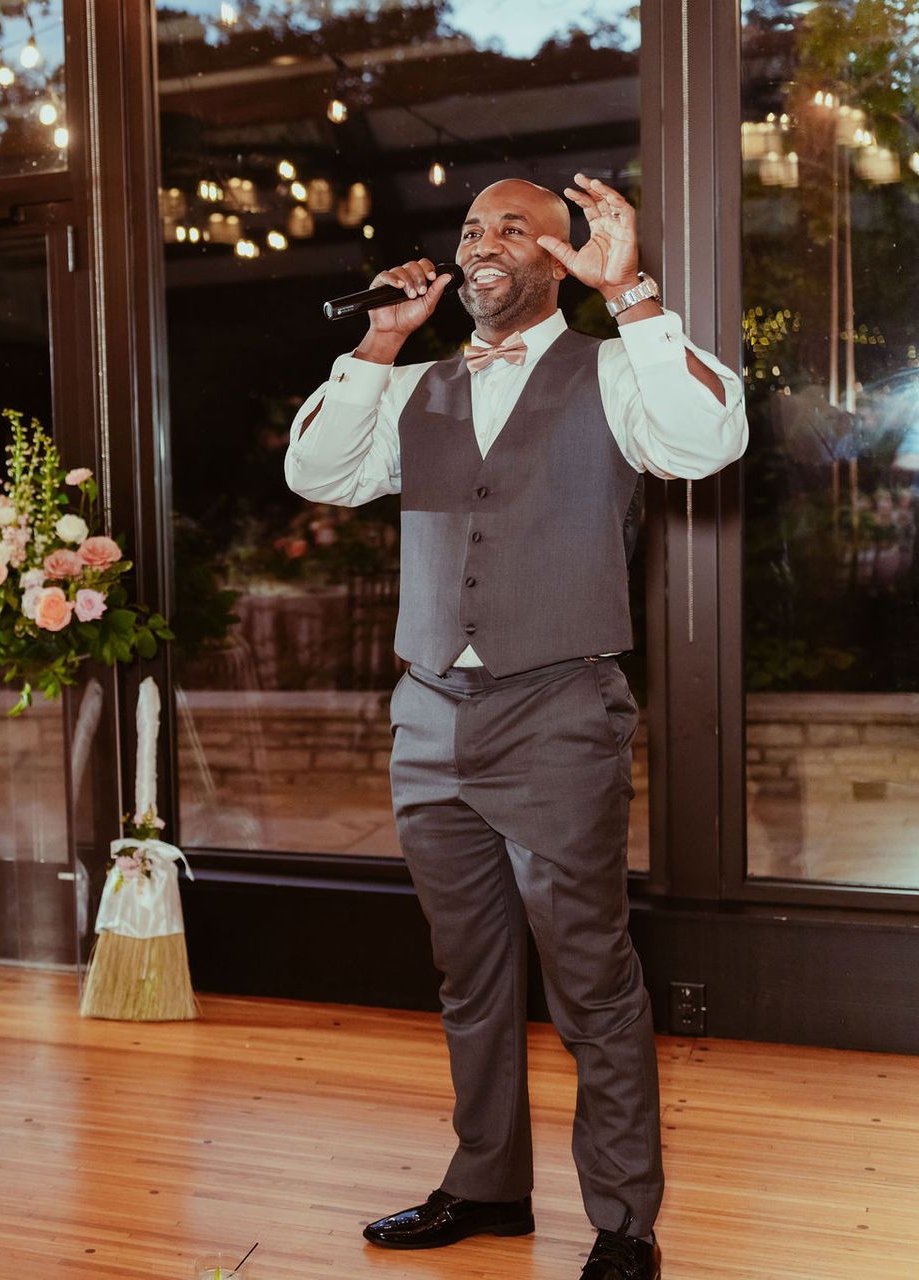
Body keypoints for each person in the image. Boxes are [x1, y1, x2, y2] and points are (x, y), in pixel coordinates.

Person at [285, 175, 746, 1280]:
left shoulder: (614, 368)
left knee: (590, 974)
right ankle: (488, 1182)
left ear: (558, 254)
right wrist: (382, 342)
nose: (481, 244)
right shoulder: (417, 383)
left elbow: (706, 441)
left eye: (510, 228)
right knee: (469, 973)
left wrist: (631, 295)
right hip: (429, 714)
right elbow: (319, 471)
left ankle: (624, 1223)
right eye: (469, 230)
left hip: (558, 711)